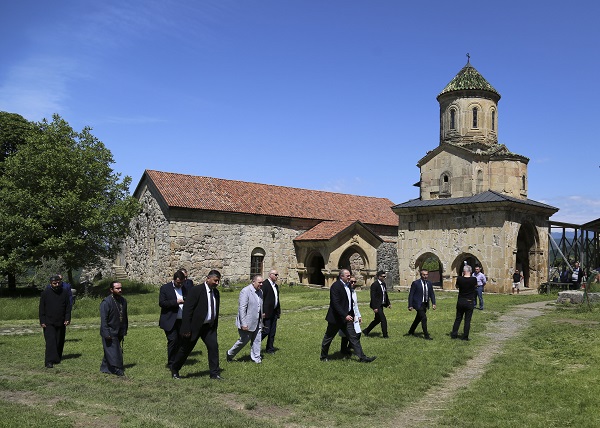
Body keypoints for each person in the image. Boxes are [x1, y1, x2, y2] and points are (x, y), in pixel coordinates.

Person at [170, 270, 222, 380]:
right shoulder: (196, 291)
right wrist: (186, 328)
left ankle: (214, 373)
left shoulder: (216, 293)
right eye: (215, 281)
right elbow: (187, 310)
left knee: (213, 347)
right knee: (186, 349)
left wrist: (214, 325)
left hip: (209, 327)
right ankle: (175, 368)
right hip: (194, 327)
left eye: (218, 281)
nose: (217, 283)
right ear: (208, 278)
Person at [320, 269, 375, 363]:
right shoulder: (336, 286)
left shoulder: (349, 286)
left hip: (347, 318)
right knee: (328, 337)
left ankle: (363, 358)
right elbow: (335, 303)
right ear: (341, 276)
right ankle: (323, 357)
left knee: (353, 338)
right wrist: (344, 315)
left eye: (349, 275)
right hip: (336, 318)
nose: (349, 277)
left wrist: (353, 315)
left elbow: (350, 302)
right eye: (347, 276)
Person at [226, 275, 264, 364]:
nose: (261, 284)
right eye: (259, 282)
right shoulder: (245, 291)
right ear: (253, 282)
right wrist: (244, 323)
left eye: (262, 282)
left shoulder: (260, 292)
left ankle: (256, 358)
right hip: (247, 322)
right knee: (243, 341)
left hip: (258, 321)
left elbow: (259, 305)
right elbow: (242, 309)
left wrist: (262, 316)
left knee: (257, 340)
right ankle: (230, 353)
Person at [39, 275, 72, 368]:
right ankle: (49, 361)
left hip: (61, 321)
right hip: (48, 321)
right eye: (55, 283)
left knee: (59, 340)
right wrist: (42, 320)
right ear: (51, 284)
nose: (57, 285)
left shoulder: (64, 292)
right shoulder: (46, 293)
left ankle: (57, 358)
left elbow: (67, 307)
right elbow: (41, 308)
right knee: (51, 341)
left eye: (58, 283)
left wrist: (67, 318)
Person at [159, 270, 189, 369]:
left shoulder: (185, 288)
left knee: (181, 341)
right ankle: (171, 363)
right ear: (174, 280)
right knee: (173, 340)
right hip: (169, 319)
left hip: (181, 320)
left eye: (181, 282)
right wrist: (176, 302)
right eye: (178, 283)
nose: (180, 284)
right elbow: (162, 303)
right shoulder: (165, 288)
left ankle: (178, 361)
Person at [100, 281, 128, 376]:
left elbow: (124, 316)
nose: (120, 290)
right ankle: (117, 369)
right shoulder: (106, 302)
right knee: (114, 351)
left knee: (110, 350)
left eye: (120, 288)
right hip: (110, 331)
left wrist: (124, 329)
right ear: (111, 290)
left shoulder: (123, 301)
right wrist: (106, 333)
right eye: (117, 288)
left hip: (119, 330)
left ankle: (105, 368)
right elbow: (103, 319)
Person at [407, 269, 436, 340]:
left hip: (425, 304)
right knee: (424, 318)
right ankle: (426, 336)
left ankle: (411, 331)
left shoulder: (429, 283)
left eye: (427, 274)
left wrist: (433, 303)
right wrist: (410, 305)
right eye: (424, 275)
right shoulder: (416, 283)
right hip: (418, 304)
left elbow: (432, 294)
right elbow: (411, 295)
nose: (425, 276)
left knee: (418, 319)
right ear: (421, 275)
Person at [450, 265, 477, 340]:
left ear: (463, 271)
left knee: (458, 318)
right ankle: (465, 336)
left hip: (461, 300)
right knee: (467, 320)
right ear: (470, 271)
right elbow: (476, 286)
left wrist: (462, 277)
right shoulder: (474, 279)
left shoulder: (460, 278)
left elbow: (457, 286)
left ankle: (454, 334)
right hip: (469, 301)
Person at [363, 270, 391, 338]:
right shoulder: (374, 285)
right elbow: (373, 297)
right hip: (377, 305)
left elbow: (385, 294)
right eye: (383, 276)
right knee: (383, 320)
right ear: (379, 277)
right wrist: (374, 307)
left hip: (381, 305)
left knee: (377, 320)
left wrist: (388, 303)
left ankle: (366, 331)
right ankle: (385, 335)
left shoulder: (383, 284)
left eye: (385, 276)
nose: (384, 278)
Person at [339, 275, 362, 355]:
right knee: (345, 335)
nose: (353, 283)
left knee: (358, 333)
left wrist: (359, 316)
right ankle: (344, 351)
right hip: (346, 315)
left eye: (354, 282)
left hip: (354, 315)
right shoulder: (345, 290)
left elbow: (355, 305)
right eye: (351, 281)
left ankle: (348, 348)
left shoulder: (353, 292)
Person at [261, 269, 281, 354]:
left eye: (277, 275)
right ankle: (255, 343)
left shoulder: (275, 286)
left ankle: (270, 349)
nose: (277, 276)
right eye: (275, 275)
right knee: (266, 331)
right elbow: (261, 299)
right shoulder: (264, 285)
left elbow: (277, 299)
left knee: (272, 332)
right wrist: (262, 312)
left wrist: (278, 310)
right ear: (270, 275)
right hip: (266, 312)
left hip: (274, 312)